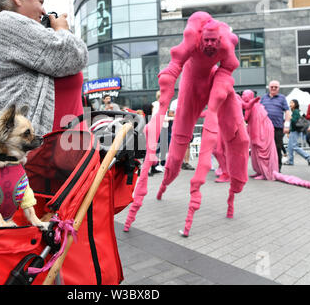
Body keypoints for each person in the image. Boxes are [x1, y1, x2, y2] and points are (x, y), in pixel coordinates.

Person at [125, 13, 249, 237]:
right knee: (177, 147)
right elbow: (175, 65)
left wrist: (216, 97)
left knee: (240, 137)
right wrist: (165, 94)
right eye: (207, 40)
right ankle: (164, 185)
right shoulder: (192, 35)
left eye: (214, 41)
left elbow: (228, 68)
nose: (211, 45)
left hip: (215, 80)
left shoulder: (227, 42)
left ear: (220, 38)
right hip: (192, 84)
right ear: (201, 36)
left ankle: (235, 188)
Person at [0, 0, 88, 136]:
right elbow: (75, 56)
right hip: (29, 153)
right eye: (40, 1)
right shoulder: (4, 24)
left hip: (64, 149)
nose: (44, 11)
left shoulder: (19, 33)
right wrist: (63, 30)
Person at [260, 80, 291, 172]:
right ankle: (267, 168)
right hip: (264, 128)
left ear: (278, 88)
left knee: (277, 147)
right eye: (272, 87)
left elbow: (287, 112)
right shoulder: (263, 98)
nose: (273, 88)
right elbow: (259, 111)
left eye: (275, 87)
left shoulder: (282, 98)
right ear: (268, 88)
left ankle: (277, 168)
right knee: (265, 148)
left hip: (277, 127)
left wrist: (286, 125)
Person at [284, 99, 310, 166]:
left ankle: (308, 157)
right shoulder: (294, 111)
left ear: (295, 104)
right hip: (293, 131)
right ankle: (290, 161)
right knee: (289, 146)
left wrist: (290, 117)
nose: (290, 104)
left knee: (294, 146)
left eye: (292, 103)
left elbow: (295, 121)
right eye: (290, 102)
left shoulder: (296, 111)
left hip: (295, 131)